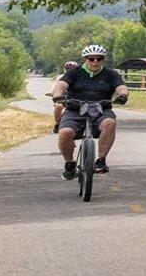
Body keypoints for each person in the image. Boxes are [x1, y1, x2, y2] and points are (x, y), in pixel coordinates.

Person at [52, 45, 127, 178]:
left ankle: (101, 160)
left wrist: (122, 95)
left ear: (103, 59)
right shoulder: (74, 72)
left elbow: (121, 87)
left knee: (110, 122)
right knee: (64, 132)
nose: (95, 61)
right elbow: (61, 84)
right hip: (74, 110)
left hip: (101, 110)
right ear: (85, 59)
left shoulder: (111, 74)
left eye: (99, 58)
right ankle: (69, 164)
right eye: (91, 59)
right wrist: (57, 95)